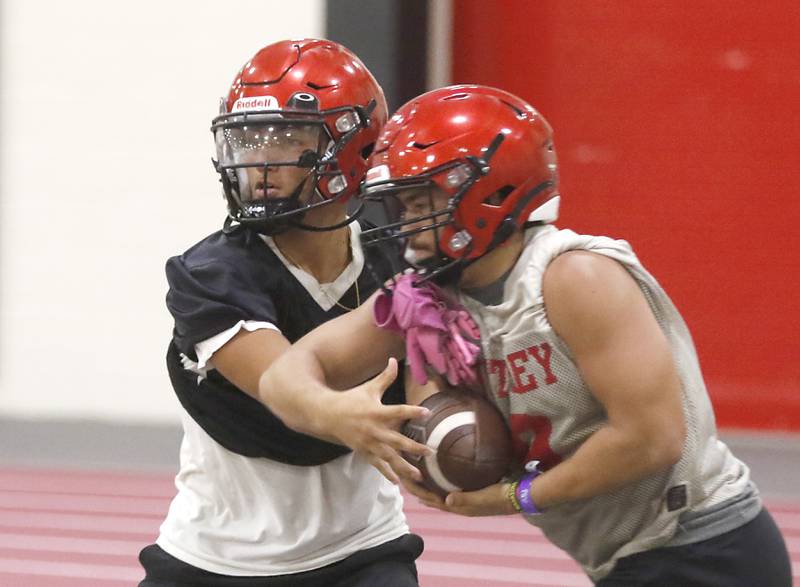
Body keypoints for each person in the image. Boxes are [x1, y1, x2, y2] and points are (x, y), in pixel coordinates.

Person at [260, 84, 793, 585]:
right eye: (407, 204)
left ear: (490, 192)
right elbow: (288, 374)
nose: (409, 220)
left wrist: (516, 497)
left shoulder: (572, 278)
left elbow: (650, 438)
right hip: (625, 558)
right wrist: (342, 417)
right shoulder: (428, 295)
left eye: (424, 201)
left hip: (705, 547)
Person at [137, 39, 429, 587]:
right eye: (246, 141)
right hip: (215, 558)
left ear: (354, 147)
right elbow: (284, 385)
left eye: (287, 138)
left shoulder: (398, 261)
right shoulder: (209, 273)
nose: (258, 162)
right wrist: (346, 417)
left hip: (362, 548)